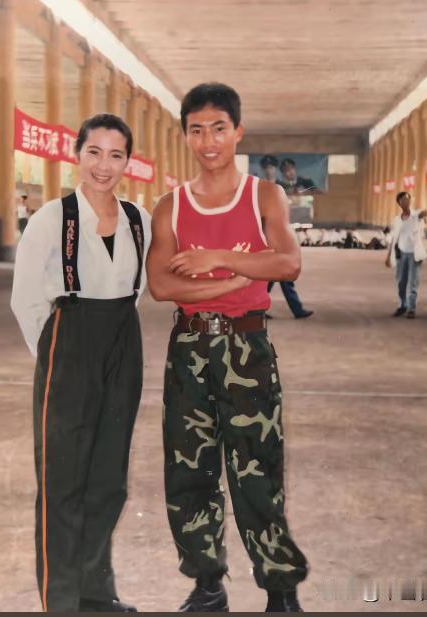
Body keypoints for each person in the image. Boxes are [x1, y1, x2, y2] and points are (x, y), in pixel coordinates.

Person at [146, 83, 308, 613]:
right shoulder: (170, 207)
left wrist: (217, 258)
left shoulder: (264, 196)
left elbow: (288, 263)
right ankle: (208, 585)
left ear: (237, 131)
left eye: (219, 128)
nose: (208, 141)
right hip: (189, 348)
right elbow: (162, 285)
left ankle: (280, 591)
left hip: (246, 347)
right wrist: (237, 278)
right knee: (188, 470)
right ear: (185, 136)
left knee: (257, 469)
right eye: (196, 130)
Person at [11, 114, 151, 613]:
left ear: (128, 162)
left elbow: (134, 290)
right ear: (77, 155)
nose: (103, 165)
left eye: (116, 155)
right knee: (62, 480)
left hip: (123, 341)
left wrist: (112, 340)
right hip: (68, 343)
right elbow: (26, 299)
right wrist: (57, 357)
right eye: (94, 152)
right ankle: (62, 601)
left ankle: (95, 592)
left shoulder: (139, 219)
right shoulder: (52, 219)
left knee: (108, 479)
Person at [385, 192, 427, 319]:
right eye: (403, 200)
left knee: (413, 282)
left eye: (408, 199)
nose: (406, 202)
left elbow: (421, 214)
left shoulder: (415, 215)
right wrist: (388, 255)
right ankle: (402, 305)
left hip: (414, 254)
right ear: (399, 203)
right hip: (401, 254)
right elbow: (394, 237)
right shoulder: (397, 219)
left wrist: (424, 213)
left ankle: (411, 308)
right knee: (401, 282)